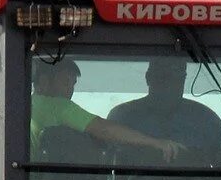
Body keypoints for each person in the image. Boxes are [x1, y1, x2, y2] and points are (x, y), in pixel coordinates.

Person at [30, 58, 184, 163]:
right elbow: (104, 130)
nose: (71, 90)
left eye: (73, 84)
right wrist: (155, 143)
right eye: (65, 82)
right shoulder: (59, 106)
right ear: (43, 82)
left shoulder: (24, 106)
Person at [106, 58, 221, 178]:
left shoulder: (206, 119)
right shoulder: (121, 117)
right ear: (149, 77)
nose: (169, 84)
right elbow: (102, 167)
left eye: (177, 78)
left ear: (184, 79)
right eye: (163, 77)